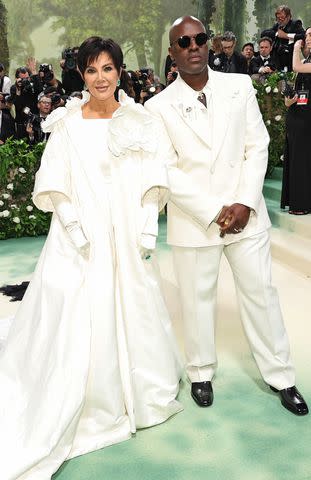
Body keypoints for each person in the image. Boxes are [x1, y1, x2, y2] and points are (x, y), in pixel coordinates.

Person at [0, 36, 182, 479]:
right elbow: (55, 176)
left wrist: (144, 223)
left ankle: (133, 389)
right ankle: (83, 396)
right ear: (81, 74)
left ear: (120, 72)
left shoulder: (141, 119)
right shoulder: (65, 123)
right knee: (74, 313)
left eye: (108, 68)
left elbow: (156, 171)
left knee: (132, 301)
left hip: (123, 233)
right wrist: (71, 221)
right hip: (77, 236)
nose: (100, 77)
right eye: (92, 69)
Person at [145, 15, 308, 416]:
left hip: (246, 214)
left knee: (261, 295)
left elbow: (258, 145)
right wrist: (215, 210)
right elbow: (165, 169)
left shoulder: (239, 87)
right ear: (173, 53)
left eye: (200, 39)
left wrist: (244, 203)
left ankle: (282, 376)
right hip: (195, 219)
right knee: (197, 300)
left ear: (210, 44)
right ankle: (200, 372)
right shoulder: (157, 107)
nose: (194, 46)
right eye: (184, 42)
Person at [281, 27, 311, 215]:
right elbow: (298, 86)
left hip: (307, 118)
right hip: (296, 114)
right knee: (295, 158)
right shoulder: (306, 60)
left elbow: (296, 67)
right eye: (307, 34)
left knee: (302, 160)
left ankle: (302, 203)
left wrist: (295, 48)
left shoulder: (302, 62)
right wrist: (289, 98)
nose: (308, 38)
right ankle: (295, 201)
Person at [261, 5, 305, 72]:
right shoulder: (277, 25)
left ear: (289, 17)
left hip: (290, 59)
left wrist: (286, 35)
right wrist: (277, 34)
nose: (279, 20)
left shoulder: (295, 23)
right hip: (277, 59)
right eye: (278, 18)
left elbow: (303, 35)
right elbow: (264, 33)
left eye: (282, 18)